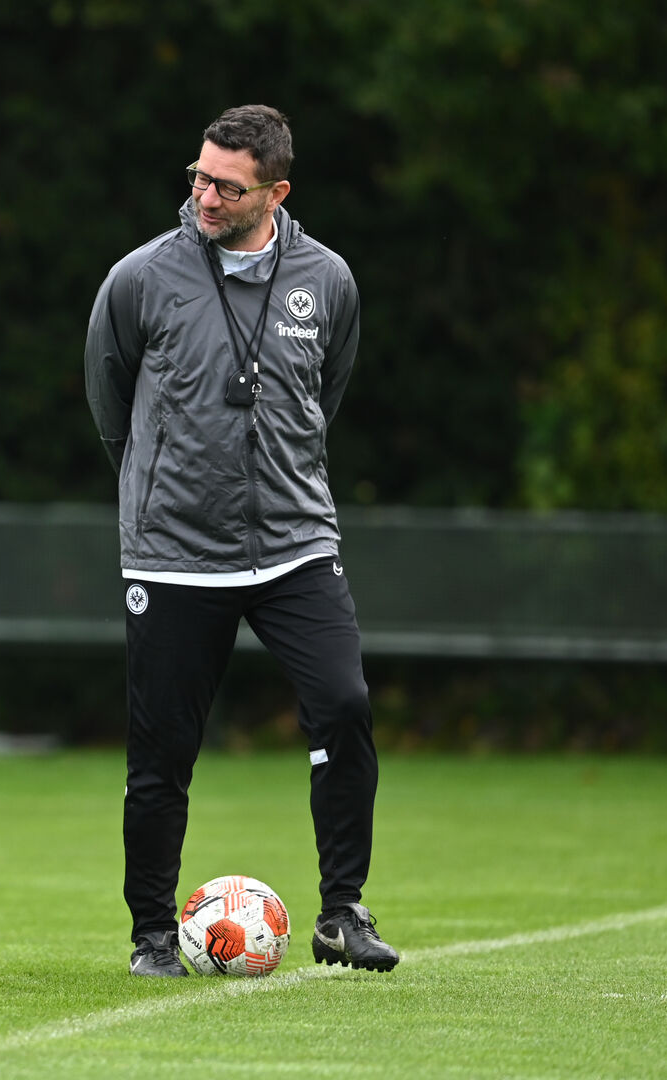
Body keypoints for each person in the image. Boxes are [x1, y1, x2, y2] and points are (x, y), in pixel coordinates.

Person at [84, 105, 400, 977]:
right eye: (198, 176)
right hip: (173, 552)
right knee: (161, 754)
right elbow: (109, 399)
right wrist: (160, 481)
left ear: (276, 191)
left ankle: (342, 913)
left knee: (344, 706)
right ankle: (153, 933)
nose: (205, 196)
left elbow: (321, 394)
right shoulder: (143, 276)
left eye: (227, 185)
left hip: (297, 541)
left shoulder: (326, 278)